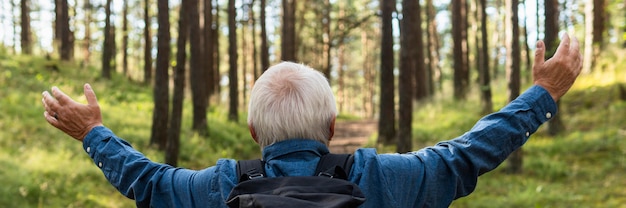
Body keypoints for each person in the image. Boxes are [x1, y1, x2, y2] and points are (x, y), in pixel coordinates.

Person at [42, 34, 582, 208]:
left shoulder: (224, 186)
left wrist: (90, 131)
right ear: (330, 128)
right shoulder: (380, 180)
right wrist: (544, 92)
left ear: (254, 133)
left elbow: (148, 182)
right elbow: (467, 156)